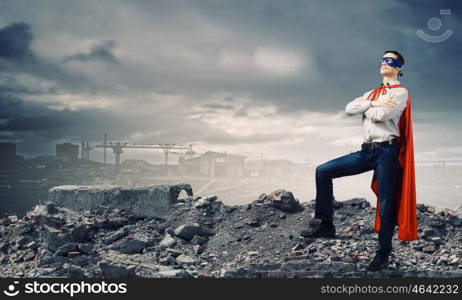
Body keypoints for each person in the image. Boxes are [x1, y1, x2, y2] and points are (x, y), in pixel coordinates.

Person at [300, 50, 418, 271]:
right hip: (367, 151)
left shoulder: (401, 92)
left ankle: (383, 253)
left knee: (386, 203)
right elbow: (348, 110)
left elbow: (383, 116)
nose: (384, 63)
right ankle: (326, 224)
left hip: (387, 151)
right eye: (383, 60)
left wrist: (368, 106)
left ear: (399, 67)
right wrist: (374, 105)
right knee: (323, 171)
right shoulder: (371, 92)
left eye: (390, 60)